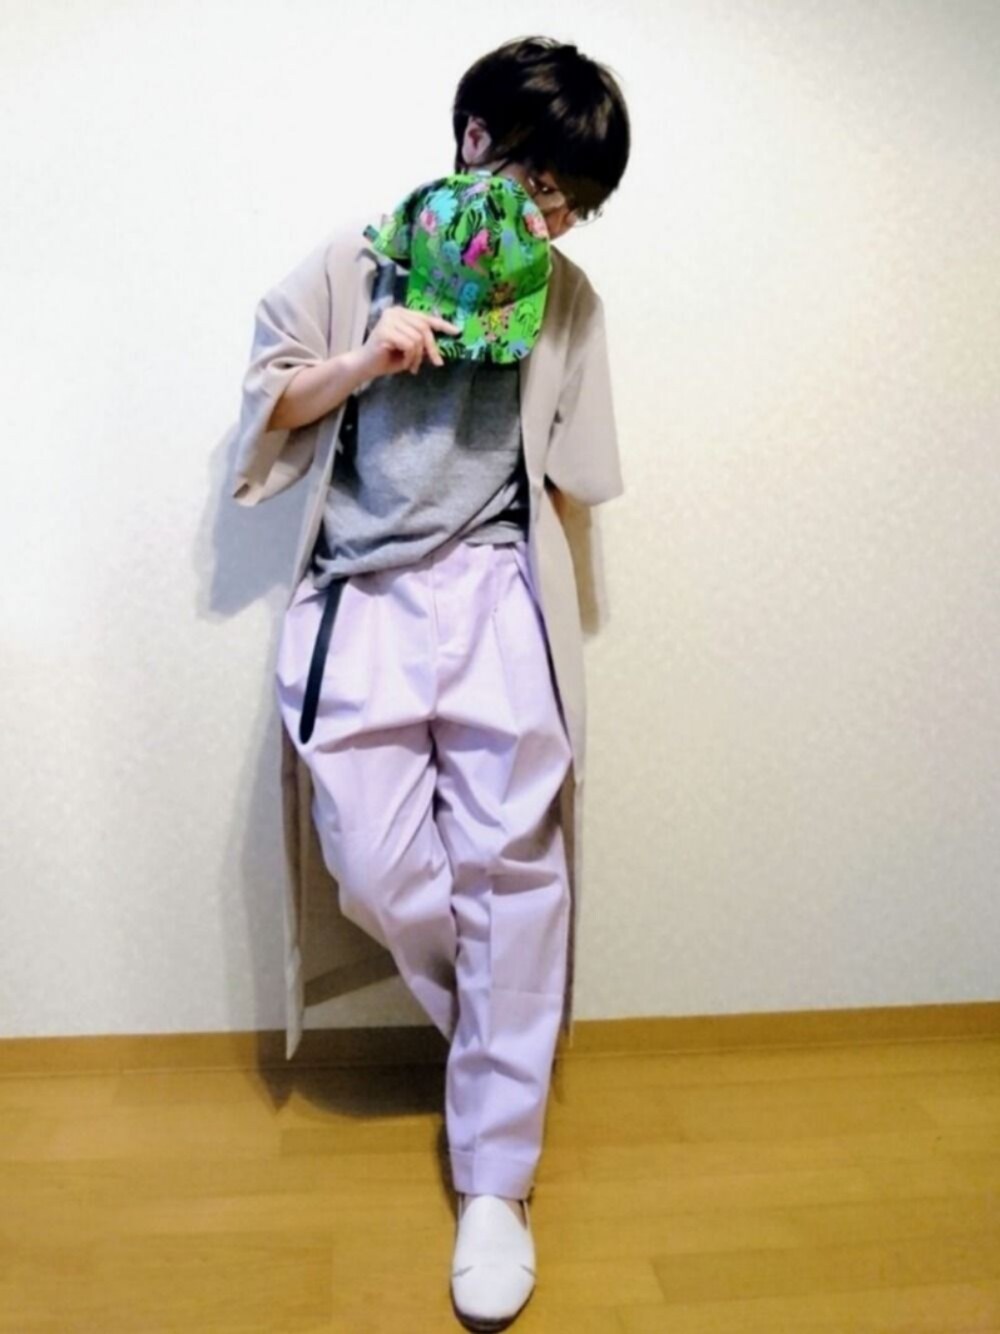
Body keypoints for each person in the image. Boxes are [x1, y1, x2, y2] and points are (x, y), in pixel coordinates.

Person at [259, 35, 629, 1328]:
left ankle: (496, 1179)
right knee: (375, 867)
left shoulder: (567, 298)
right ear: (476, 139)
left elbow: (572, 483)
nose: (553, 219)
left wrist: (555, 634)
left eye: (575, 203)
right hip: (361, 589)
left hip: (493, 590)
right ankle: (498, 1043)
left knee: (514, 869)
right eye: (544, 184)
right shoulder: (356, 260)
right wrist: (367, 357)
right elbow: (271, 402)